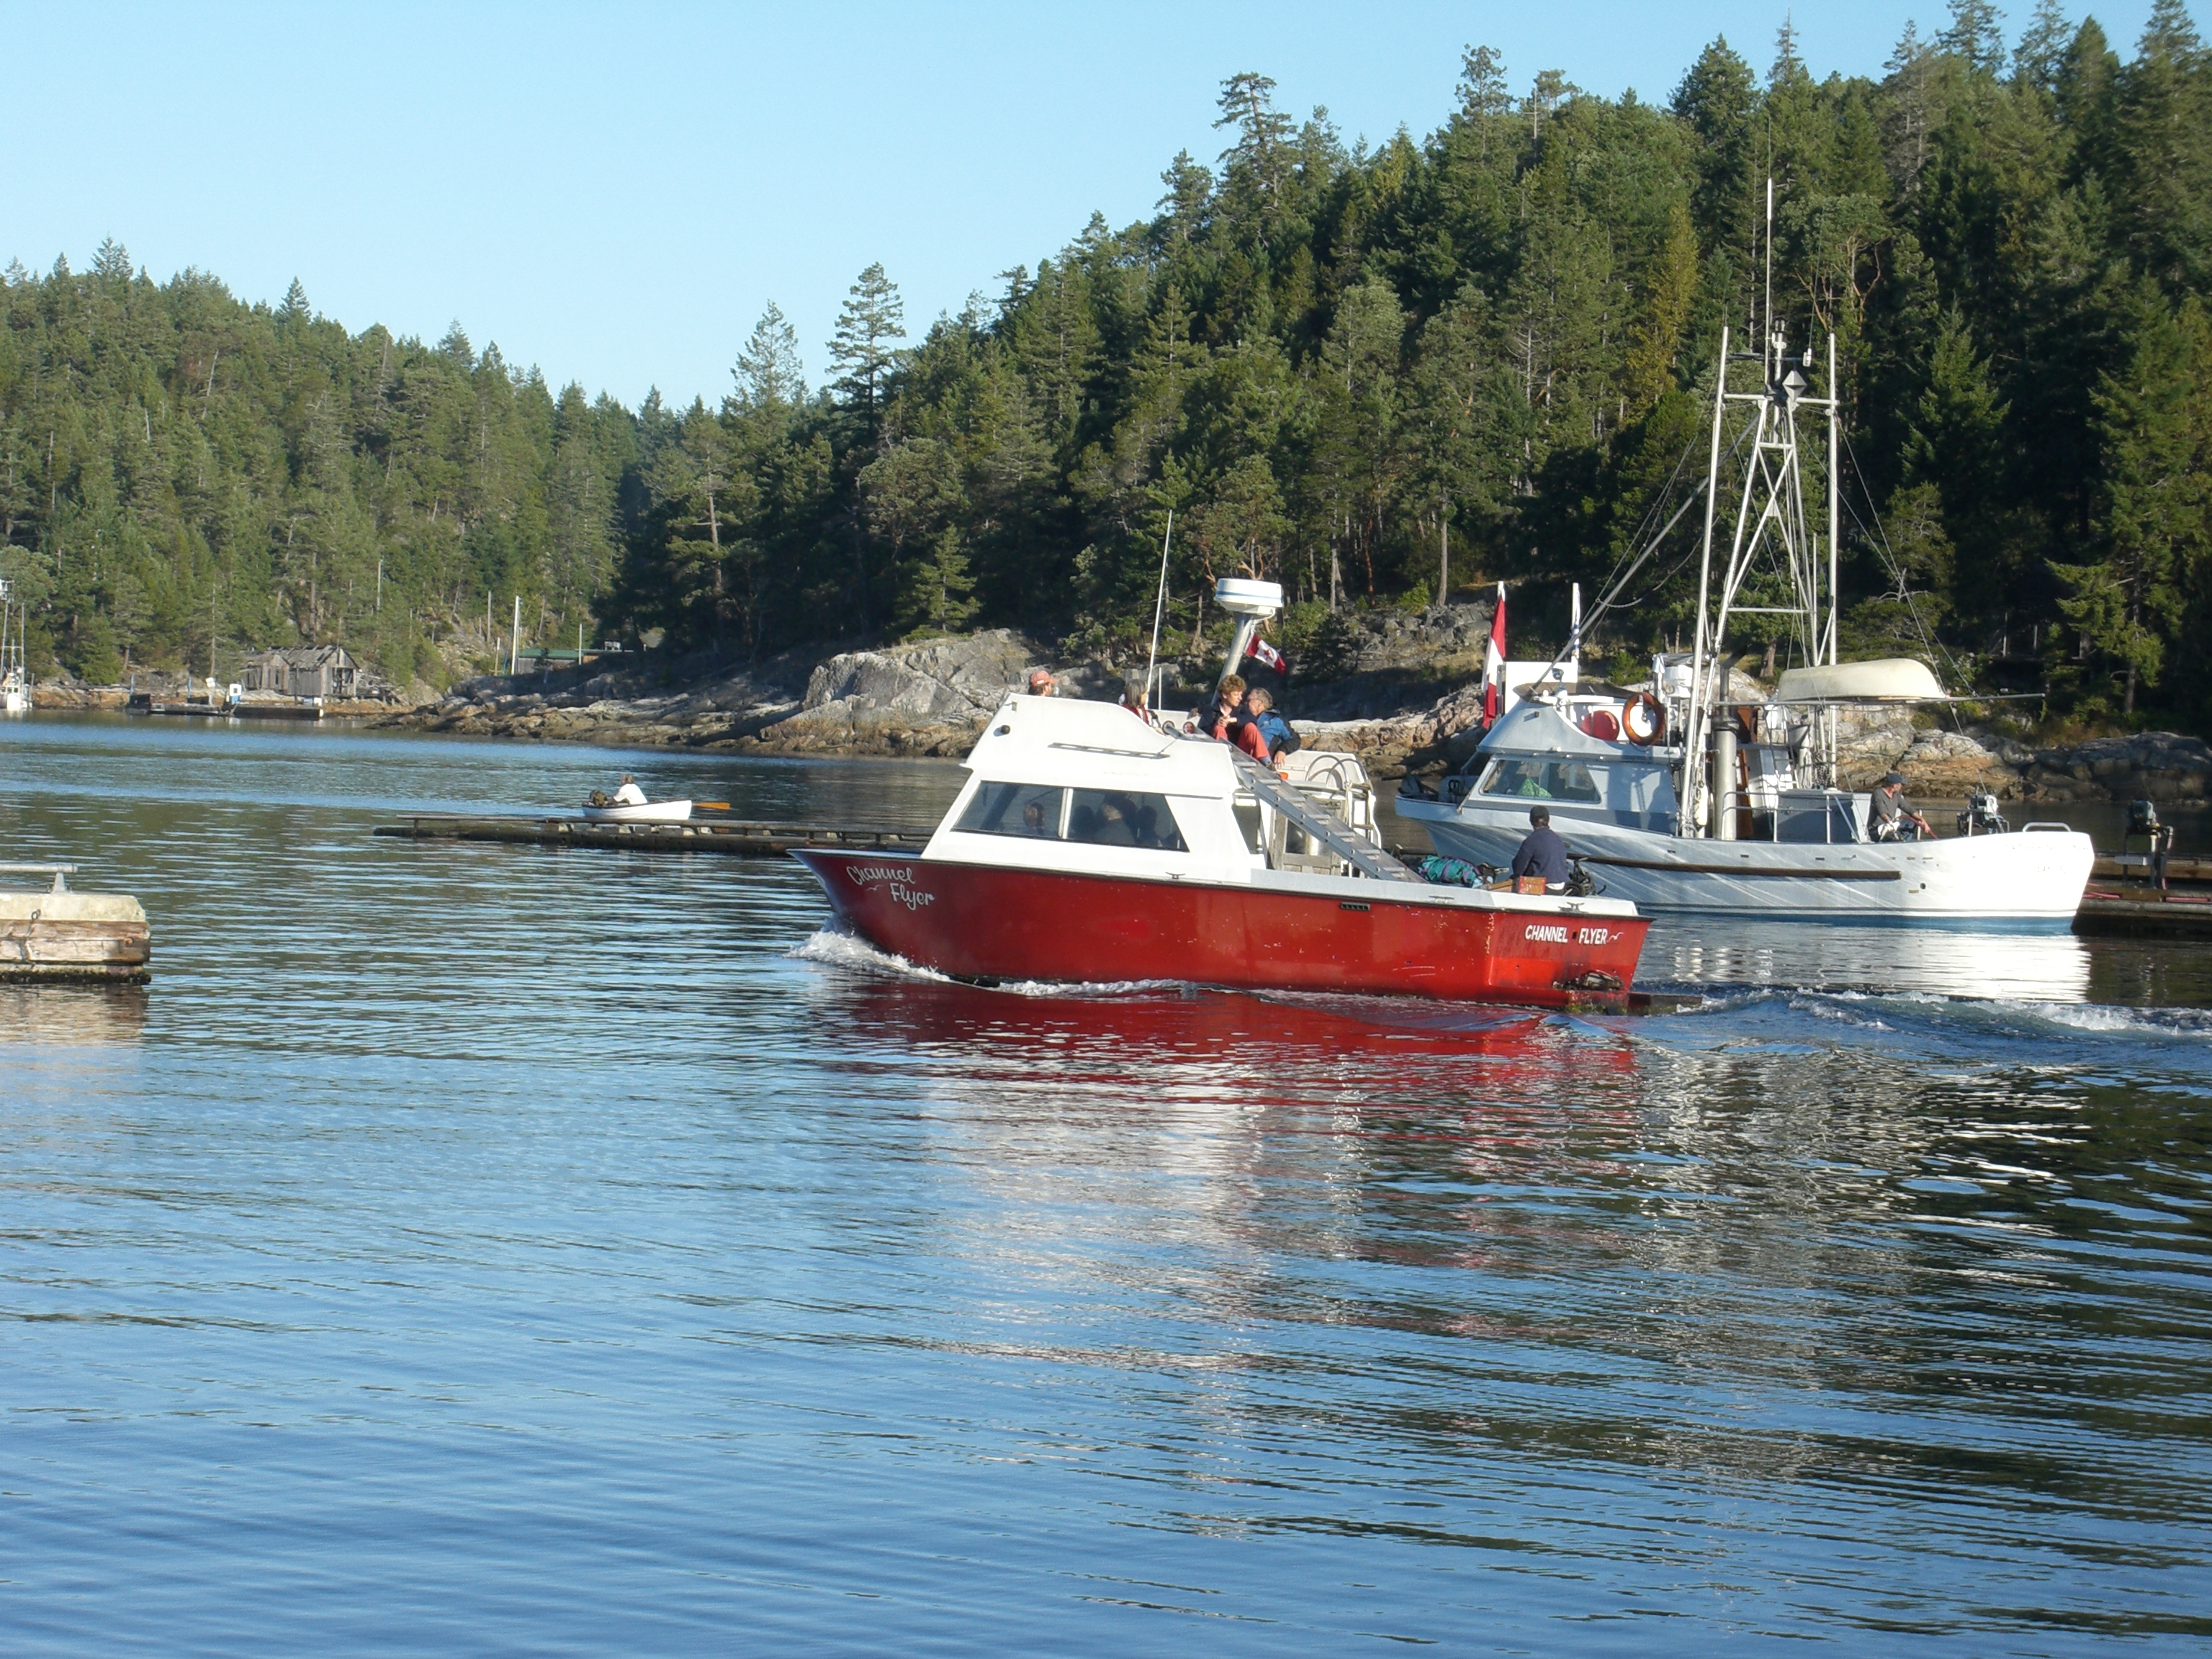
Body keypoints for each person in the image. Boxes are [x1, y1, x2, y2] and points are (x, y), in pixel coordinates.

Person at [1510, 805, 1570, 892]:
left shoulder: (1532, 841)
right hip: (1561, 886)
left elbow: (1519, 867)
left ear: (1531, 821)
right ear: (1548, 820)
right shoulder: (1557, 839)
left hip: (1542, 887)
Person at [1242, 685, 1300, 760]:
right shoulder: (1241, 717)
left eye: (1249, 700)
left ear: (1260, 703)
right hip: (1241, 758)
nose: (1245, 703)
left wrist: (1282, 750)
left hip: (1261, 764)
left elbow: (1295, 739)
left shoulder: (1276, 720)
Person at [1870, 772, 1930, 842]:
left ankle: (1904, 841)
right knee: (1890, 831)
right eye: (1900, 784)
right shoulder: (1878, 793)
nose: (1901, 786)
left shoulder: (1896, 795)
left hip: (1891, 825)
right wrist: (1889, 823)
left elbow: (1908, 808)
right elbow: (1882, 811)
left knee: (1911, 821)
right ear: (1894, 785)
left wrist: (1922, 820)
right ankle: (1896, 840)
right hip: (1877, 829)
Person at [1192, 674, 1244, 740]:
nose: (1240, 698)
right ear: (1225, 695)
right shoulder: (1211, 711)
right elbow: (1202, 730)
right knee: (1219, 729)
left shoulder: (1241, 710)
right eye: (1236, 695)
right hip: (1215, 747)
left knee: (1251, 728)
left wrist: (1233, 720)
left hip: (1236, 748)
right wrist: (1216, 724)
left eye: (1241, 694)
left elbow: (1251, 719)